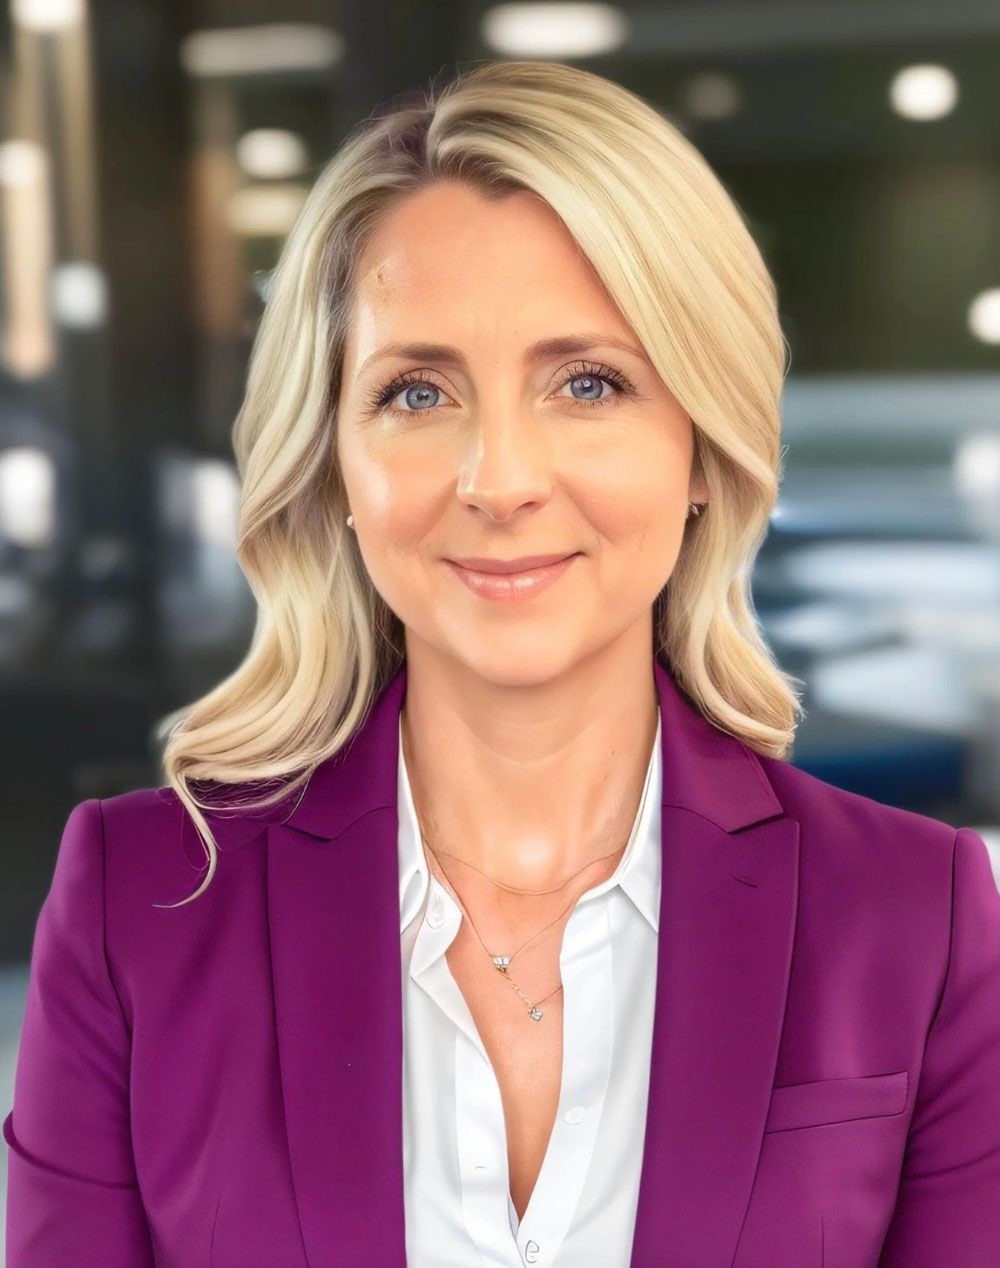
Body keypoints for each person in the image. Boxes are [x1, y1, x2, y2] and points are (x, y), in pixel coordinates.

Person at [4, 58, 999, 1268]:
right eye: (416, 392)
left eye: (589, 382)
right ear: (334, 462)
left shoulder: (915, 911)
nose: (499, 480)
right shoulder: (137, 899)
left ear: (702, 446)